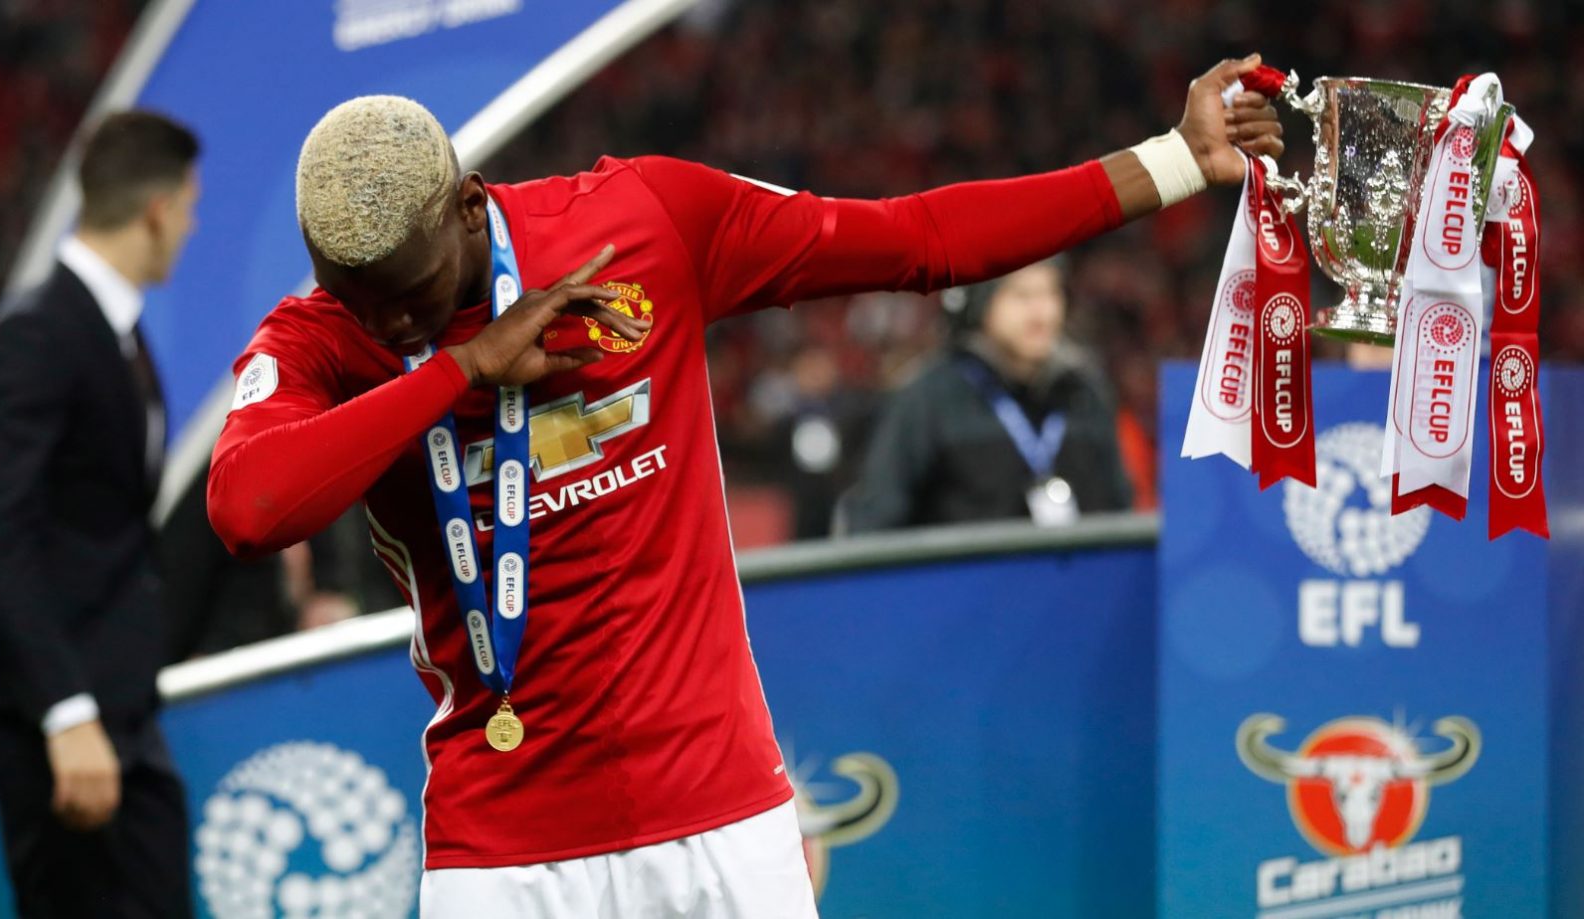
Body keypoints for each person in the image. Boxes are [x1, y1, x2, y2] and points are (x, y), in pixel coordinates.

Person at [206, 56, 1283, 916]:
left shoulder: (638, 220)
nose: (389, 322)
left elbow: (918, 239)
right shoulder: (320, 338)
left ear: (469, 205)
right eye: (358, 299)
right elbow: (248, 509)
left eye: (412, 293)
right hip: (500, 849)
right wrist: (461, 369)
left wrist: (1176, 160)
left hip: (716, 815)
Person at [0, 110, 199, 917]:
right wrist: (66, 711)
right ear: (157, 211)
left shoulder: (114, 333)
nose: (191, 226)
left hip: (122, 716)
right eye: (189, 207)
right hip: (62, 730)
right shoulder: (37, 335)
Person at [840, 257, 1132, 532]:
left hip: (1076, 570)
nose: (1041, 313)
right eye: (1021, 295)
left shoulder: (1084, 393)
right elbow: (875, 519)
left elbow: (1119, 511)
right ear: (981, 303)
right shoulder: (930, 399)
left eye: (1050, 293)